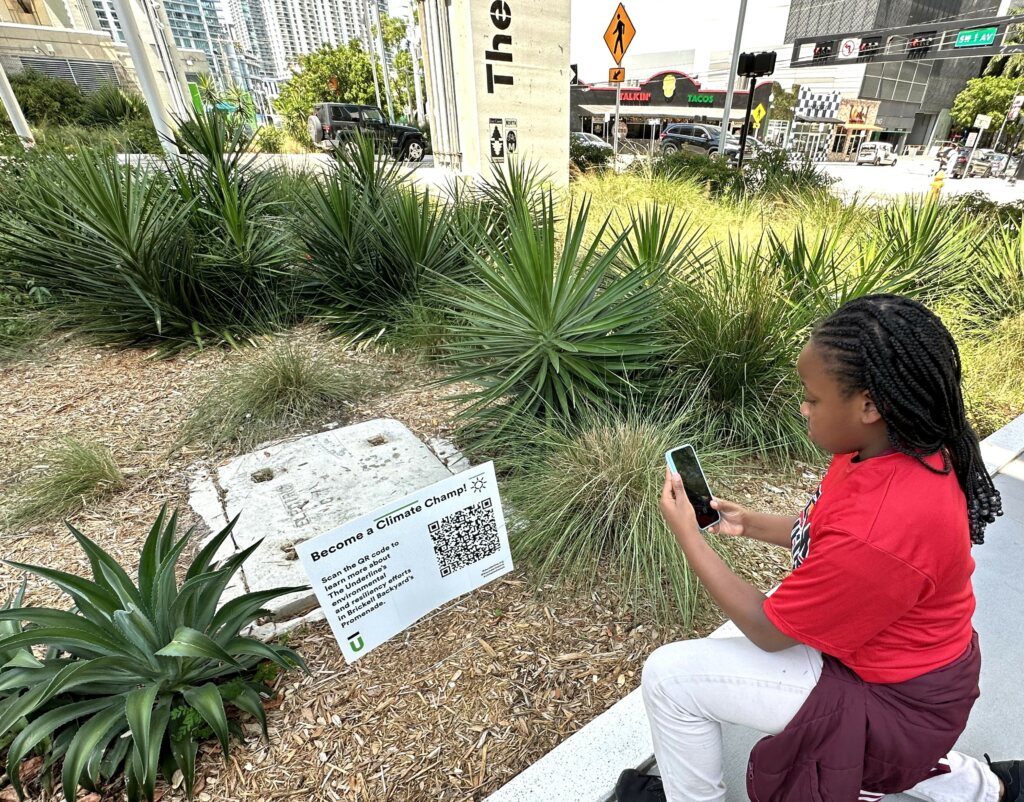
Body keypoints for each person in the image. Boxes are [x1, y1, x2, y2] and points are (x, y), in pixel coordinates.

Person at [619, 295, 1020, 802]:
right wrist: (750, 524)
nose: (802, 408)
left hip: (894, 703)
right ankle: (986, 789)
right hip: (913, 667)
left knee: (669, 678)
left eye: (812, 398)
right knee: (898, 744)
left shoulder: (883, 525)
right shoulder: (891, 448)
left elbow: (768, 631)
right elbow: (833, 540)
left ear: (870, 404)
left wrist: (688, 537)